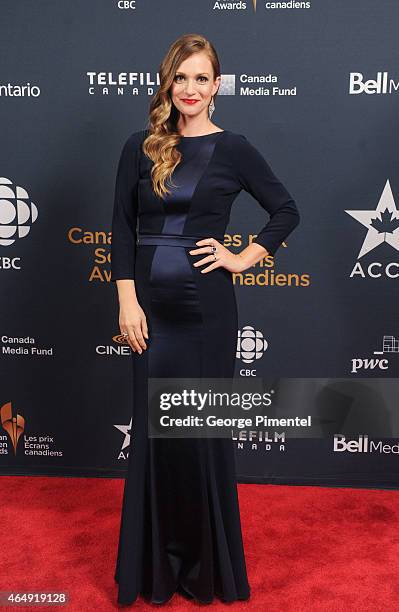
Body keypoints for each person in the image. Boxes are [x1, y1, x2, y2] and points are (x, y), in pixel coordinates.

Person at [111, 33, 300, 606]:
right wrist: (126, 300)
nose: (190, 89)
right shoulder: (139, 147)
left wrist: (242, 256)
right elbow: (120, 227)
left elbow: (286, 209)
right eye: (181, 77)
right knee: (155, 437)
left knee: (200, 436)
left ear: (216, 87)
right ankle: (155, 573)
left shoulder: (234, 148)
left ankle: (206, 570)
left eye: (201, 78)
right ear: (167, 83)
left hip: (207, 313)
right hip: (149, 311)